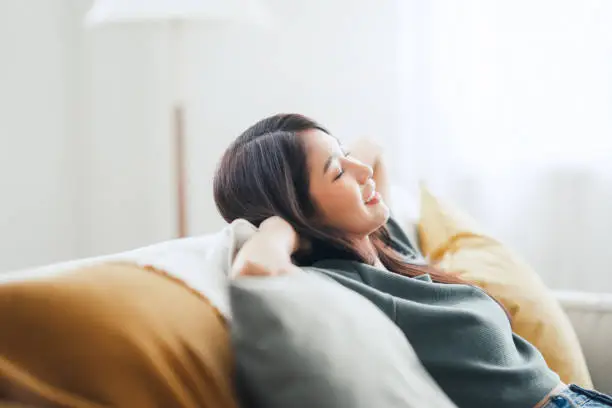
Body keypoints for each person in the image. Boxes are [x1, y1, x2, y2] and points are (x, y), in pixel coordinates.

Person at [213, 113, 612, 408]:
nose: (362, 170)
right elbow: (255, 271)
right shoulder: (340, 285)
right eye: (338, 172)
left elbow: (374, 150)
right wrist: (281, 224)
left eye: (347, 156)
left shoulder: (385, 250)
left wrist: (337, 158)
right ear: (300, 211)